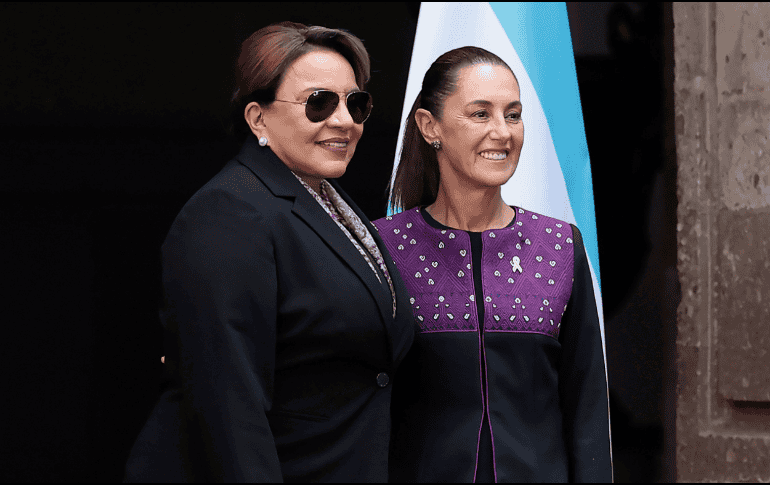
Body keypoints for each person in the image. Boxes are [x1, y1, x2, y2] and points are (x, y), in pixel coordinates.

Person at [124, 22, 415, 482]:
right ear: (258, 118)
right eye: (319, 102)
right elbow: (228, 407)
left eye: (356, 103)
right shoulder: (229, 213)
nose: (343, 121)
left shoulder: (329, 203)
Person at [374, 46, 612, 482]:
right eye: (480, 114)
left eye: (514, 114)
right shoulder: (384, 247)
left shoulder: (559, 245)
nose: (502, 132)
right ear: (431, 127)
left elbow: (588, 405)